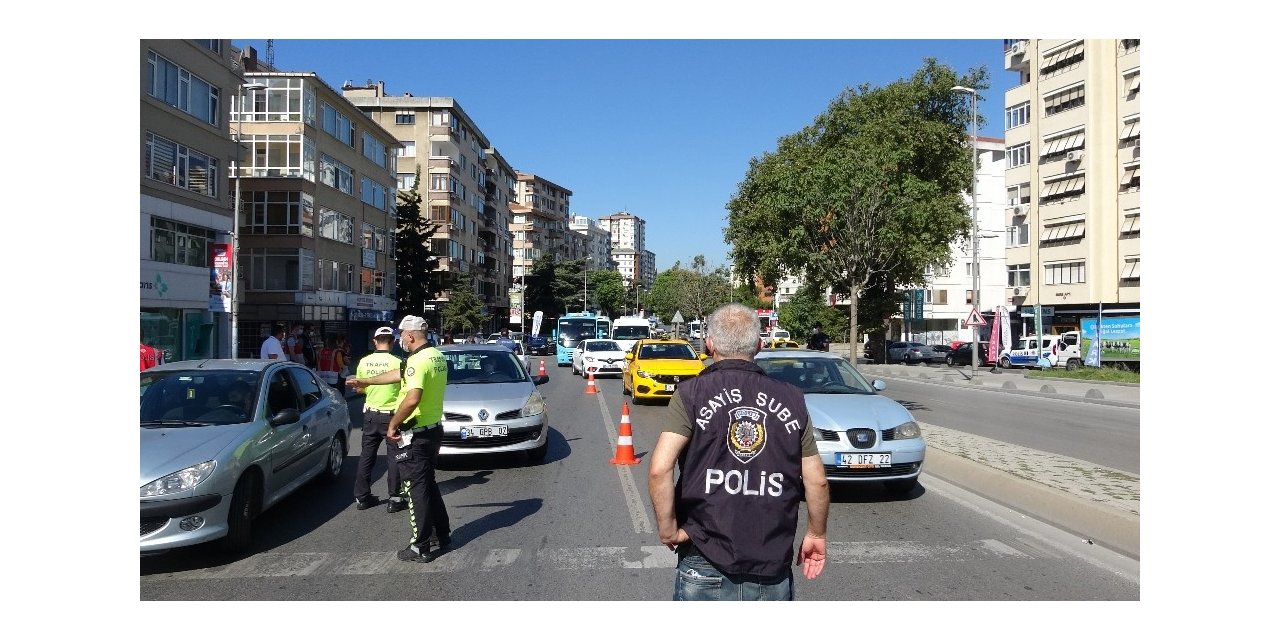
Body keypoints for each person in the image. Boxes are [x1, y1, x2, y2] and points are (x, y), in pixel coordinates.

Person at [648, 302, 829, 600]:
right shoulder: (792, 399)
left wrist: (668, 531)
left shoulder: (691, 394)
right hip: (771, 563)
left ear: (709, 344)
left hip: (704, 555)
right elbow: (816, 481)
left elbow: (659, 469)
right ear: (758, 345)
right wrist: (816, 534)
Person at [347, 315, 452, 563]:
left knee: (415, 490)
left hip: (415, 432)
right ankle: (441, 533)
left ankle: (420, 546)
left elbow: (413, 397)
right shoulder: (435, 356)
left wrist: (394, 423)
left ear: (410, 336)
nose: (400, 339)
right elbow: (398, 373)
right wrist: (366, 381)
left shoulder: (417, 361)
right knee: (428, 483)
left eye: (402, 334)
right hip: (433, 429)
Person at [351, 327, 406, 513]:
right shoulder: (398, 362)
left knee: (367, 456)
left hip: (370, 415)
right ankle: (395, 497)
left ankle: (362, 497)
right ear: (392, 342)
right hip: (391, 416)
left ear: (375, 341)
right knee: (394, 456)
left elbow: (360, 389)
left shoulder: (364, 362)